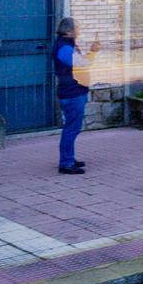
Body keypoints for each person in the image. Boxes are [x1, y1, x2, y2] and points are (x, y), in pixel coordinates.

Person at [53, 17, 99, 175]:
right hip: (72, 92)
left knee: (72, 128)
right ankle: (66, 162)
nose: (78, 31)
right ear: (68, 31)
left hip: (73, 90)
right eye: (76, 28)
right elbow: (82, 63)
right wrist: (93, 52)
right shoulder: (64, 48)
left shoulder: (66, 45)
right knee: (71, 128)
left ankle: (69, 158)